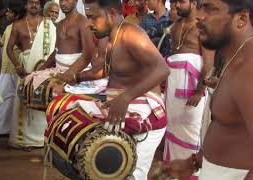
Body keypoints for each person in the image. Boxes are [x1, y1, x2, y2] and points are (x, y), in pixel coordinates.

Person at [166, 0, 253, 179]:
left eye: (210, 9)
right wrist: (196, 161)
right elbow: (231, 129)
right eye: (200, 7)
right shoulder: (236, 58)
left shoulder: (249, 68)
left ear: (242, 19)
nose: (199, 16)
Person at [83, 0, 170, 179]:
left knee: (131, 175)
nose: (89, 24)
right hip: (122, 107)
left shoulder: (131, 34)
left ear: (112, 14)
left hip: (147, 117)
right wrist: (74, 77)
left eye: (93, 18)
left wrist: (125, 98)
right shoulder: (109, 36)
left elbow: (163, 69)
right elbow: (107, 72)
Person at [163, 0, 215, 178]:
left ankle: (191, 173)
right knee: (172, 125)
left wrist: (199, 91)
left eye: (181, 1)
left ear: (194, 2)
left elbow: (208, 62)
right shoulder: (176, 24)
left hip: (193, 90)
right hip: (173, 86)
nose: (176, 5)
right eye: (174, 1)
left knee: (191, 129)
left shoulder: (202, 27)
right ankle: (173, 169)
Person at [7, 0, 56, 150]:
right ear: (26, 5)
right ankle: (24, 140)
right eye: (31, 2)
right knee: (24, 100)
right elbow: (9, 48)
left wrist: (48, 66)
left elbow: (56, 47)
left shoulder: (49, 25)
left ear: (41, 6)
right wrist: (17, 66)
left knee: (43, 99)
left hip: (45, 67)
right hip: (26, 67)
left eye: (37, 2)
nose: (34, 5)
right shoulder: (18, 24)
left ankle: (42, 138)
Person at [39, 0, 94, 85]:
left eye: (67, 0)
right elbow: (56, 51)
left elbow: (87, 55)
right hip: (60, 72)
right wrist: (43, 67)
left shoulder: (83, 22)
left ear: (76, 1)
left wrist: (68, 74)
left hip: (77, 74)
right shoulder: (60, 24)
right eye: (61, 0)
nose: (63, 3)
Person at [0, 7, 22, 138]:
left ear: (16, 14)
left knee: (13, 99)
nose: (7, 14)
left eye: (10, 11)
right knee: (2, 99)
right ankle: (0, 129)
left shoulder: (21, 27)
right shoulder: (9, 27)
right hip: (6, 69)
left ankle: (7, 129)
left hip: (16, 69)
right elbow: (1, 44)